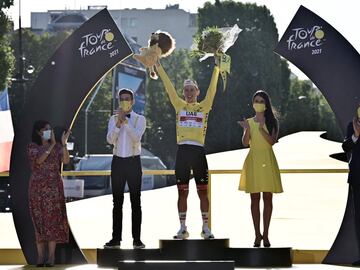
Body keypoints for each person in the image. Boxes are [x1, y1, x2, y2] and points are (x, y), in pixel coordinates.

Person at [155, 56, 220, 240]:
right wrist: (159, 67)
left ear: (197, 92)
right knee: (182, 192)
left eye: (192, 90)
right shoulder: (179, 105)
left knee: (202, 193)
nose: (189, 93)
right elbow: (168, 87)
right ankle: (182, 228)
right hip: (182, 152)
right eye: (186, 90)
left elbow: (212, 91)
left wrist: (216, 69)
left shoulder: (204, 106)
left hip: (198, 152)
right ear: (183, 93)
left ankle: (206, 228)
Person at [238, 90, 283, 248]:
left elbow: (271, 141)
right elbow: (245, 143)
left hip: (267, 160)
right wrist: (247, 128)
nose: (258, 103)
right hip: (254, 161)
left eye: (261, 101)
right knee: (254, 199)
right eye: (256, 100)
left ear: (266, 104)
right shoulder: (249, 121)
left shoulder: (272, 121)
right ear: (253, 103)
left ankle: (266, 235)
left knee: (268, 198)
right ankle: (257, 235)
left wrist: (262, 127)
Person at [104, 88, 146, 249]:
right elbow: (109, 140)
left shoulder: (140, 119)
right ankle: (116, 238)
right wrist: (118, 123)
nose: (124, 101)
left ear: (133, 101)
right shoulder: (113, 119)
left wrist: (126, 122)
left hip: (134, 161)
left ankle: (137, 239)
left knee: (135, 201)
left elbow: (136, 137)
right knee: (117, 202)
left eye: (127, 98)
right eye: (122, 99)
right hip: (118, 162)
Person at [27, 120, 71, 267]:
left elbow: (65, 160)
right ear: (39, 132)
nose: (49, 131)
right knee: (39, 221)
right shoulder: (33, 147)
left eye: (50, 129)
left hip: (54, 188)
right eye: (46, 129)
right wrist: (51, 144)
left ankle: (51, 257)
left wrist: (63, 143)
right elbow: (39, 161)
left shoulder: (58, 147)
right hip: (37, 189)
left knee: (52, 221)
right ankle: (40, 257)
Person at [342, 104, 360, 266]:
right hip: (357, 177)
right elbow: (345, 147)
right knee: (358, 218)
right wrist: (356, 135)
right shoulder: (351, 125)